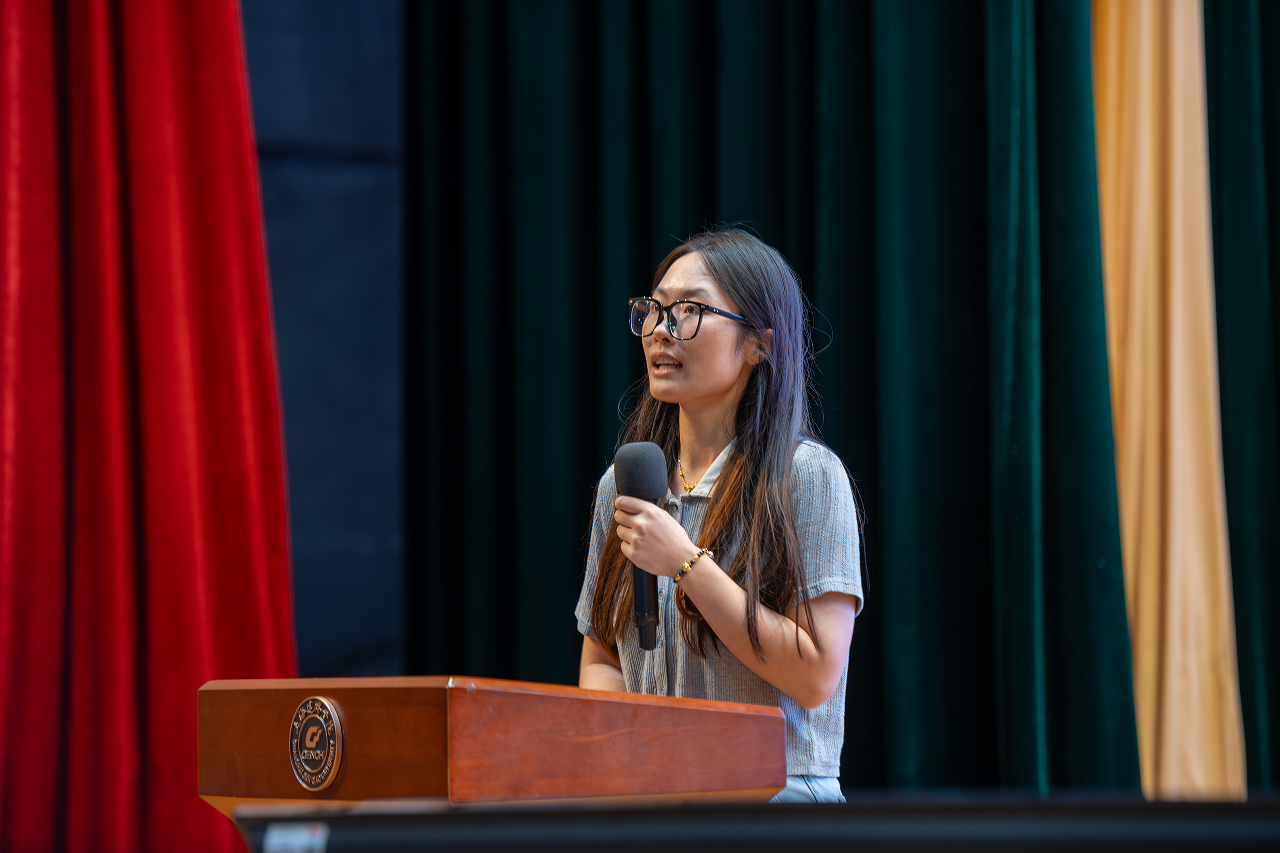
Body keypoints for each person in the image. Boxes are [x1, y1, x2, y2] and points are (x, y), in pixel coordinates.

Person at [575, 228, 864, 804]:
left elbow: (815, 675)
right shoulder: (626, 484)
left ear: (758, 344)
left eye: (690, 310)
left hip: (774, 798)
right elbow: (603, 657)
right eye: (654, 309)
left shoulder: (807, 477)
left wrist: (686, 563)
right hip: (650, 801)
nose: (661, 329)